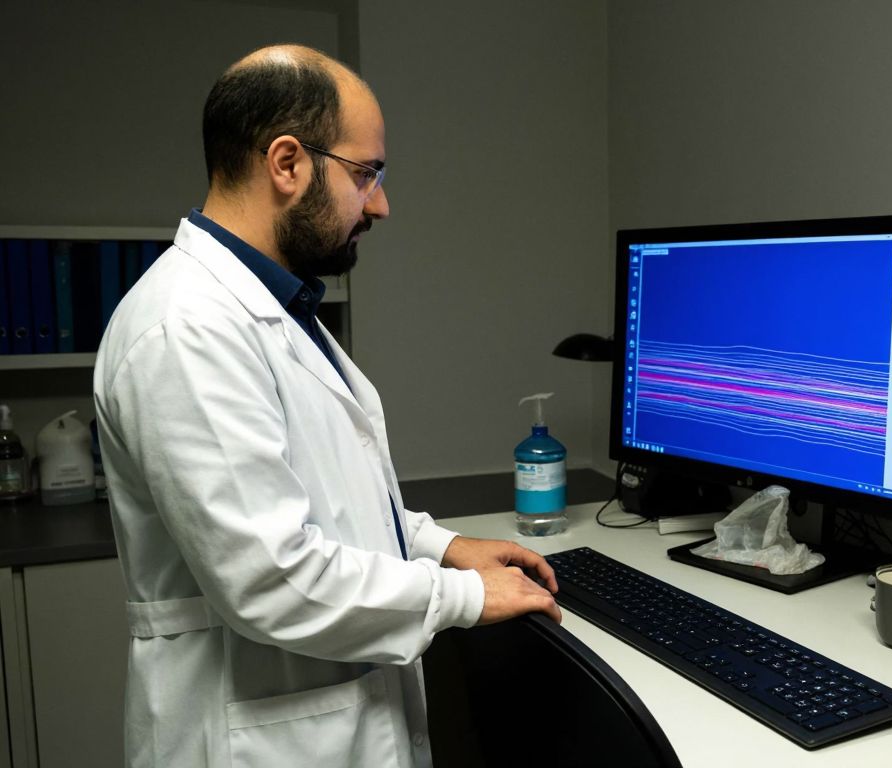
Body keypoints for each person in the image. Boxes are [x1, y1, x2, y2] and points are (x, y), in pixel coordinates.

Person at [93, 44, 560, 768]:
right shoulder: (185, 329)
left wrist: (438, 546)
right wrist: (463, 596)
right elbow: (273, 578)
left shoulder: (278, 306)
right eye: (366, 174)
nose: (380, 203)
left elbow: (327, 498)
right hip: (252, 738)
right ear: (287, 163)